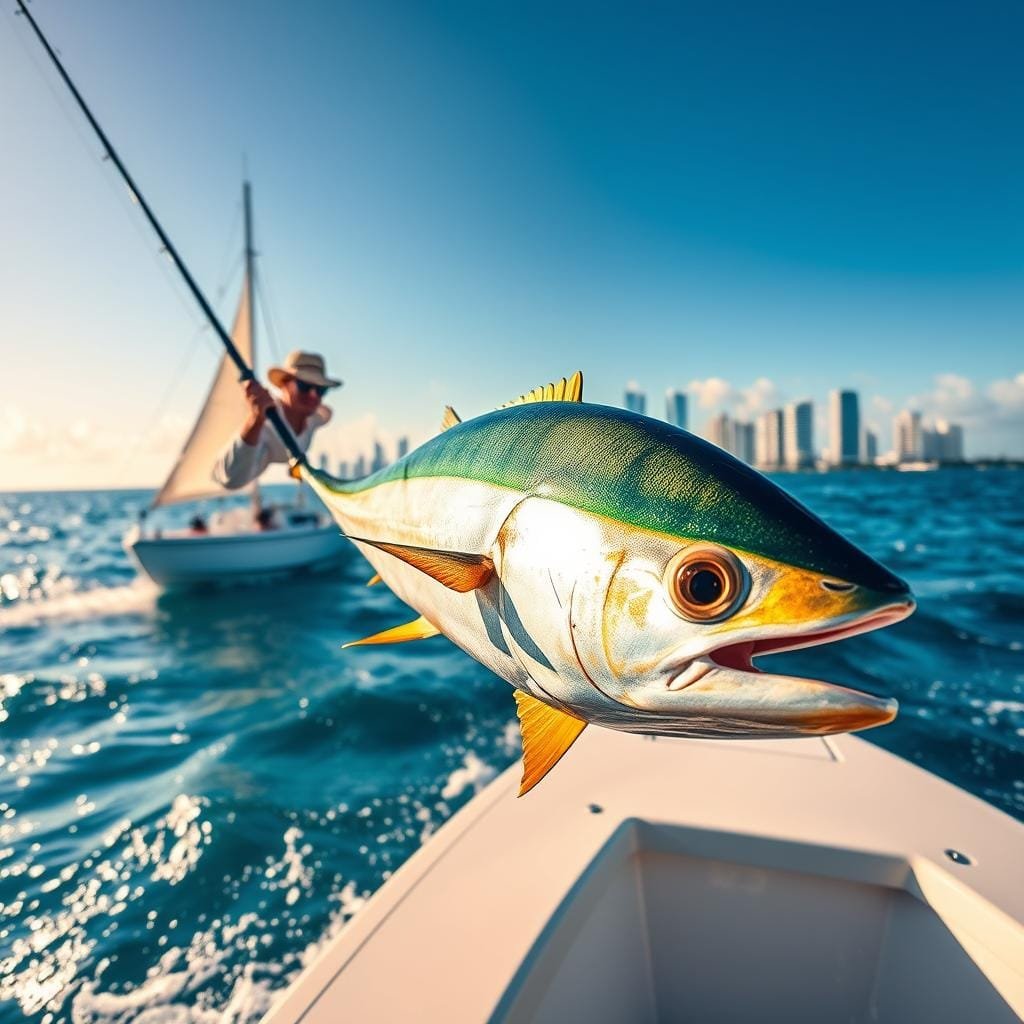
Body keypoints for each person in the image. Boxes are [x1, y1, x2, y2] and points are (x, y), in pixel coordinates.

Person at [213, 350, 341, 490]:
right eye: (304, 387)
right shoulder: (265, 425)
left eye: (320, 390)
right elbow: (231, 479)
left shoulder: (316, 419)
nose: (313, 395)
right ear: (284, 384)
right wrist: (255, 420)